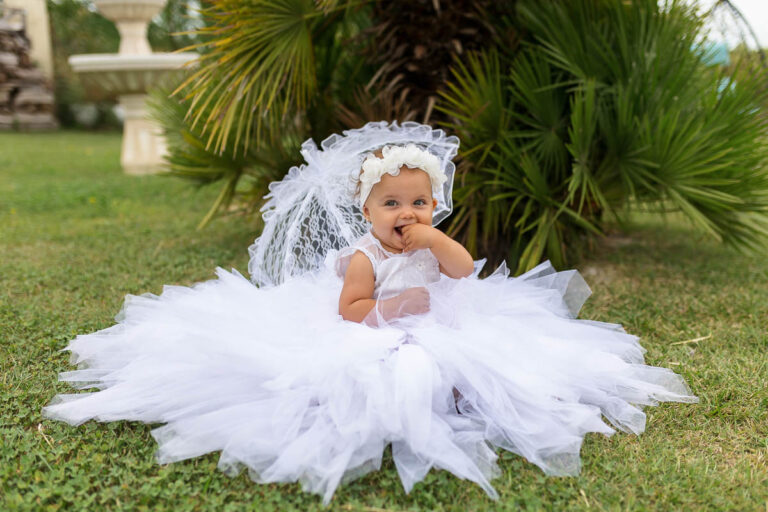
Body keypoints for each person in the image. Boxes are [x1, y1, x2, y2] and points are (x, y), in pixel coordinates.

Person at [43, 121, 697, 505]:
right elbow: (351, 310)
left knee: (495, 366)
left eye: (419, 202)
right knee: (389, 379)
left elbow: (464, 272)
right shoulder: (363, 256)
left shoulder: (432, 239)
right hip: (383, 323)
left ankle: (470, 395)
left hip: (442, 319)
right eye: (392, 204)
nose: (406, 213)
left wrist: (438, 244)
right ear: (367, 213)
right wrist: (394, 303)